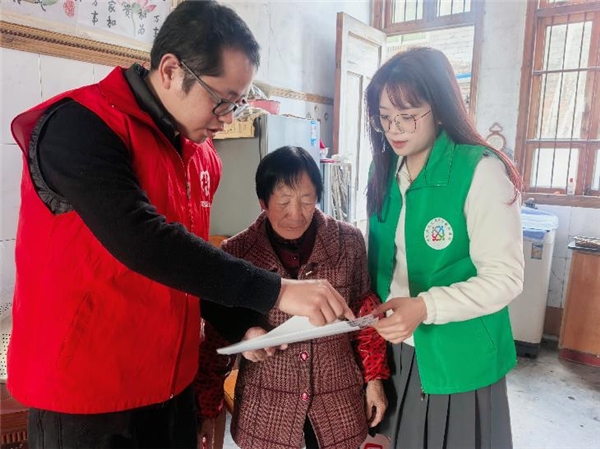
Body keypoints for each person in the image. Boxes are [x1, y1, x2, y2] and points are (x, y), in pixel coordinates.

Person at [7, 2, 353, 447]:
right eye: (222, 100)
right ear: (171, 70)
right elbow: (146, 242)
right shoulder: (80, 127)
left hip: (170, 387)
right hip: (86, 398)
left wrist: (242, 324)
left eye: (239, 102)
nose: (228, 118)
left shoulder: (202, 157)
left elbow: (187, 264)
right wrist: (278, 290)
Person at [365, 47, 524, 448]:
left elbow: (505, 278)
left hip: (460, 356)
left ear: (438, 108)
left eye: (407, 115)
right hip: (397, 348)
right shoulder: (384, 169)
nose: (395, 129)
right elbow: (381, 262)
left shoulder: (480, 171)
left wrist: (425, 307)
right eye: (385, 117)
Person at [196, 146, 390, 449]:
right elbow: (216, 340)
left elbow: (365, 314)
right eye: (284, 202)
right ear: (263, 202)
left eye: (307, 200)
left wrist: (374, 380)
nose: (296, 214)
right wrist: (208, 409)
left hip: (338, 405)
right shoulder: (237, 254)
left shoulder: (348, 242)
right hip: (266, 412)